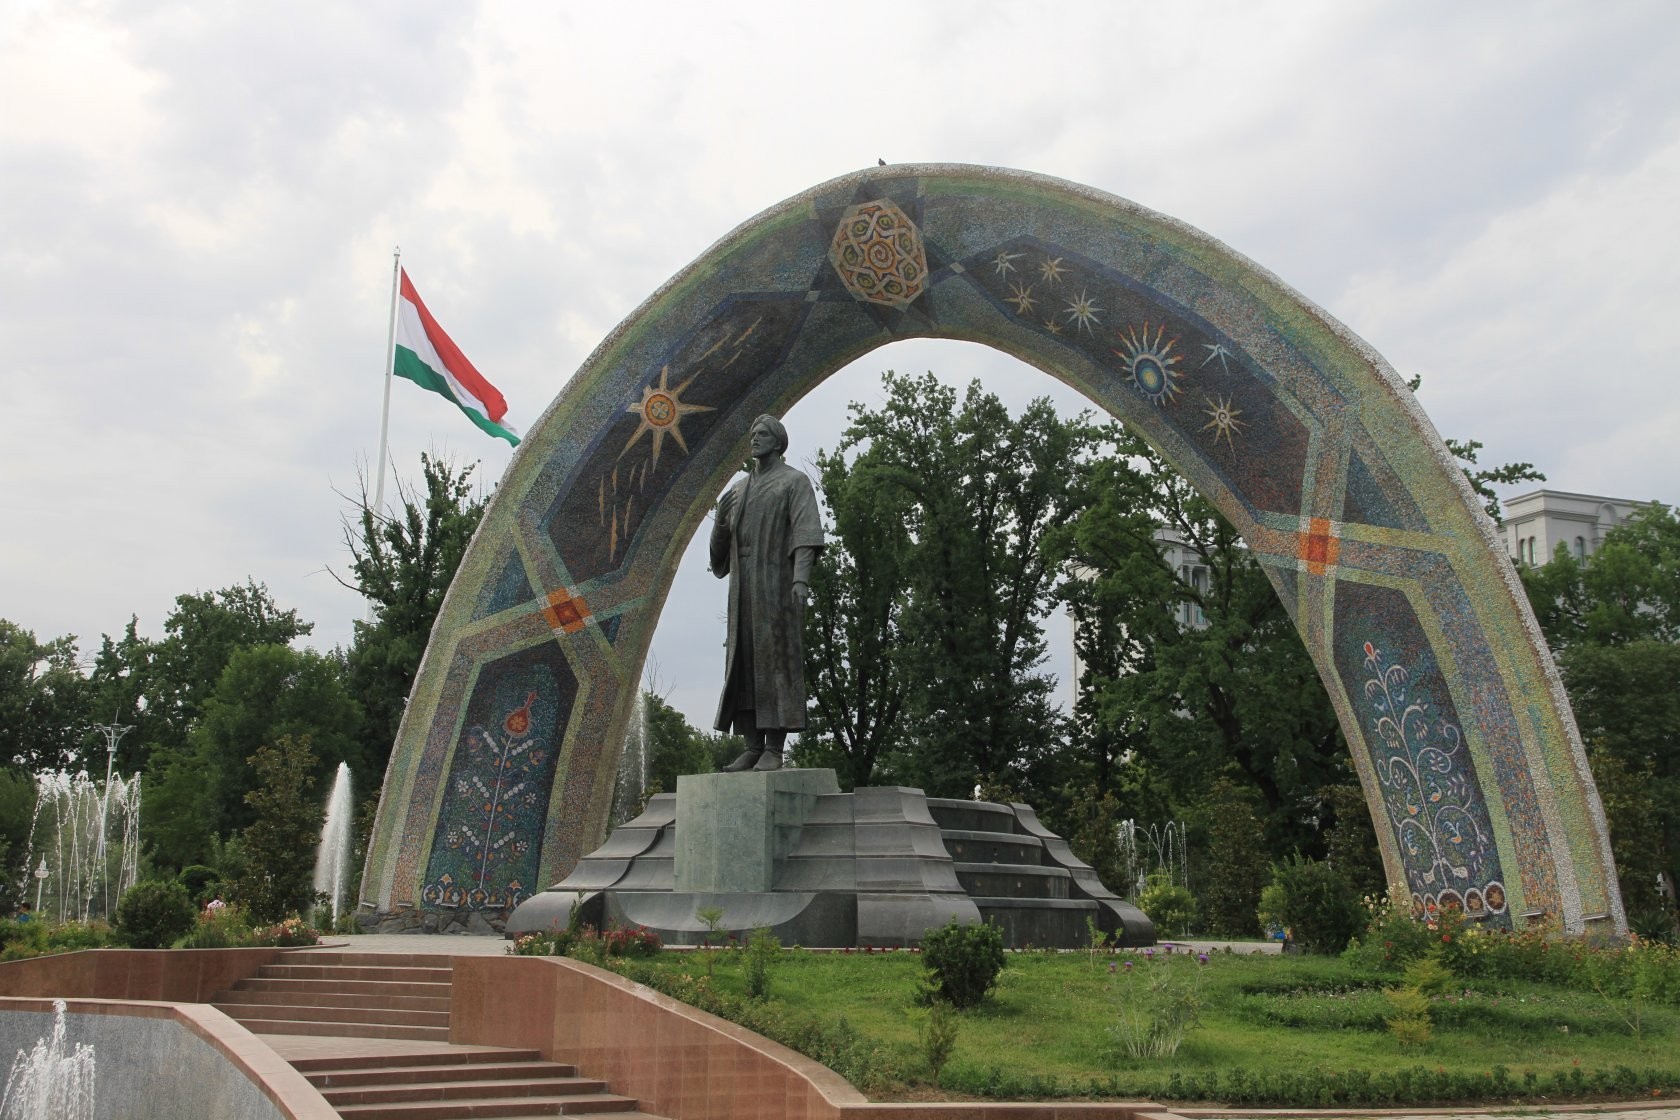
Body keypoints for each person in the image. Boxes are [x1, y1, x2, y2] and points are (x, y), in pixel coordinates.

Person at [711, 414, 824, 771]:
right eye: (752, 434)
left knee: (776, 661)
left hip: (776, 585)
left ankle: (775, 747)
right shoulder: (739, 490)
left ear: (778, 442)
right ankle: (753, 745)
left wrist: (801, 580)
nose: (754, 439)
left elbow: (807, 534)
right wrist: (719, 519)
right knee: (743, 661)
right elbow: (719, 558)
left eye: (761, 434)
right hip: (742, 586)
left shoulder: (794, 482)